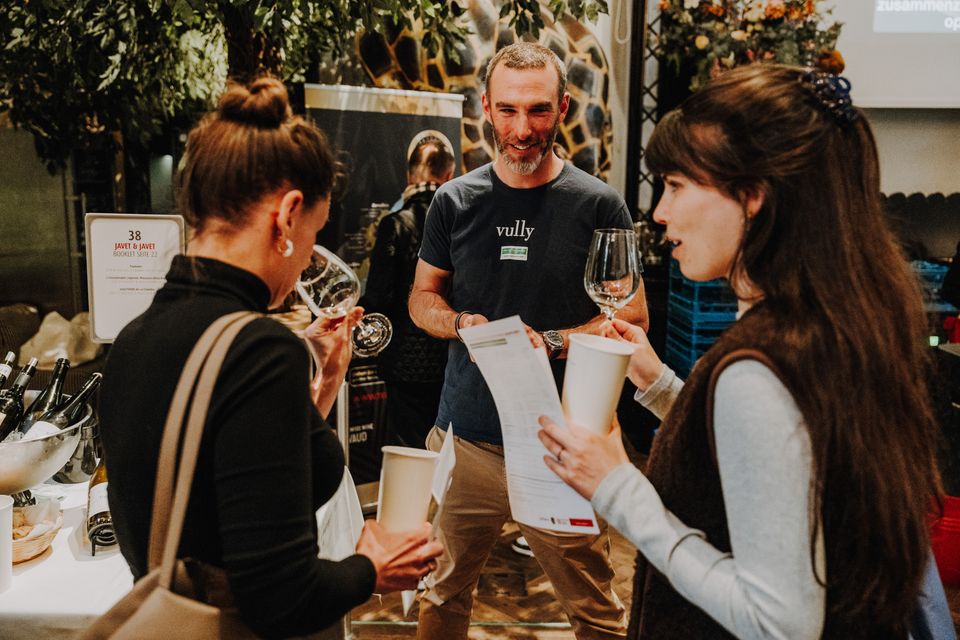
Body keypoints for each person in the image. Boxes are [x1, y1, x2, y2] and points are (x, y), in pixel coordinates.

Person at [538, 64, 943, 639]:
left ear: (752, 197)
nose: (660, 212)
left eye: (676, 185)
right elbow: (775, 463)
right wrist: (660, 385)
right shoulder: (834, 322)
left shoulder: (761, 365)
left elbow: (779, 622)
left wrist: (617, 487)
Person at [99, 77, 442, 639]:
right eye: (314, 233)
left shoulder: (135, 338)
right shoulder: (259, 349)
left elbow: (225, 487)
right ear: (287, 216)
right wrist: (373, 568)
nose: (308, 259)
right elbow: (280, 597)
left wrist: (322, 386)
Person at [408, 42, 648, 639]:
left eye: (538, 110)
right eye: (508, 110)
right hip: (466, 441)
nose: (522, 130)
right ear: (486, 108)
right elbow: (422, 299)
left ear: (562, 108)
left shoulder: (599, 204)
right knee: (440, 593)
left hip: (563, 447)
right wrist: (461, 323)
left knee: (595, 611)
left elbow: (631, 314)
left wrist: (552, 340)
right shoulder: (454, 201)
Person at [359, 131, 455, 447]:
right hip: (451, 358)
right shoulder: (460, 223)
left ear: (409, 175)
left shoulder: (395, 223)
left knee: (412, 451)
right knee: (447, 449)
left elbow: (379, 295)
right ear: (449, 174)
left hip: (405, 363)